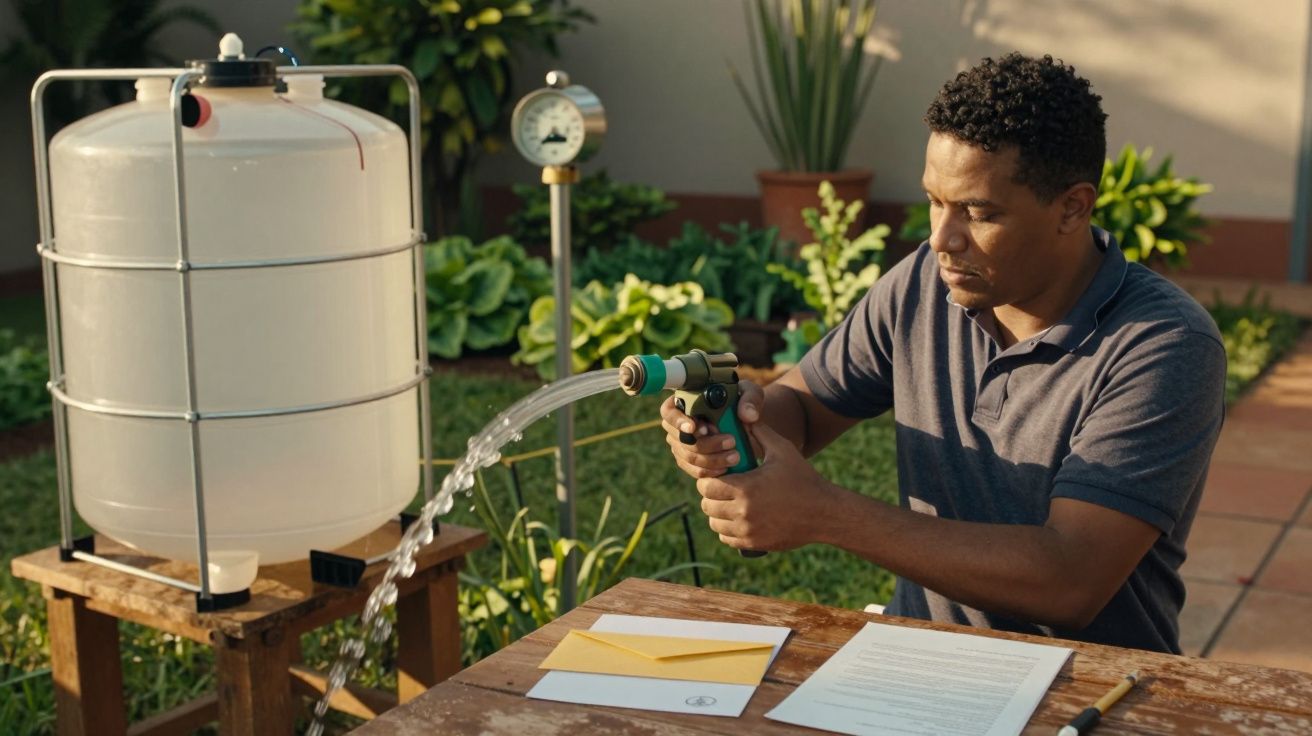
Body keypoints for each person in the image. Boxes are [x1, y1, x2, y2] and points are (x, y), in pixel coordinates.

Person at [660, 52, 1226, 654]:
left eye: (978, 213)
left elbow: (1070, 577)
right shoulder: (924, 285)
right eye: (935, 200)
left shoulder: (1163, 346)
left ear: (1072, 207)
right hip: (923, 661)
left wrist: (823, 513)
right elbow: (800, 409)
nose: (941, 239)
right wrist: (736, 422)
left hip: (1093, 685)